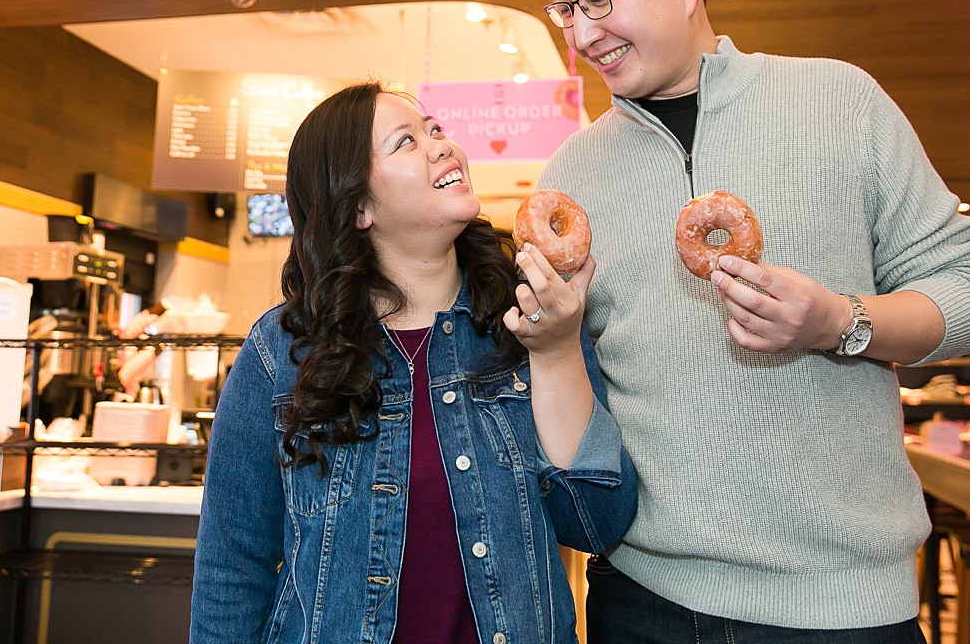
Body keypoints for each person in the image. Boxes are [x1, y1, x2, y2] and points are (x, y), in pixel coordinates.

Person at [538, 0, 970, 642]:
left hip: (844, 606)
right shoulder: (572, 172)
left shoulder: (839, 102)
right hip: (643, 598)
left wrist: (837, 321)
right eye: (565, 10)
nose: (582, 33)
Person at [190, 82, 637, 644]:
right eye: (405, 142)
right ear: (358, 207)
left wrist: (556, 353)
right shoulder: (280, 353)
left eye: (435, 129)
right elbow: (232, 570)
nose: (441, 145)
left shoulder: (534, 316)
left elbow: (597, 522)